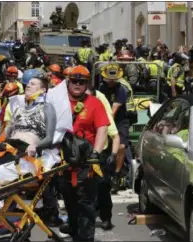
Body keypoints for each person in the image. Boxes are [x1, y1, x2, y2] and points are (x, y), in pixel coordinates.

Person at [59, 65, 109, 242]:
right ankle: (74, 231)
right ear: (68, 82)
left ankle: (85, 238)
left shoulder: (95, 103)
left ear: (87, 84)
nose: (77, 85)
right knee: (70, 204)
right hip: (64, 162)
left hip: (85, 161)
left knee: (86, 206)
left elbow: (102, 129)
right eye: (74, 81)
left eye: (81, 82)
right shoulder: (60, 102)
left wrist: (96, 152)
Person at [86, 85, 120, 230]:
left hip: (99, 156)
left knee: (102, 188)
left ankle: (106, 217)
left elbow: (115, 135)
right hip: (81, 156)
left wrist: (113, 154)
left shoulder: (101, 112)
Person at [98, 64, 131, 193]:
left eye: (113, 79)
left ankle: (117, 175)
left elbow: (113, 111)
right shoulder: (101, 87)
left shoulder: (121, 90)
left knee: (121, 147)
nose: (111, 81)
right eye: (109, 79)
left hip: (119, 120)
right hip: (103, 118)